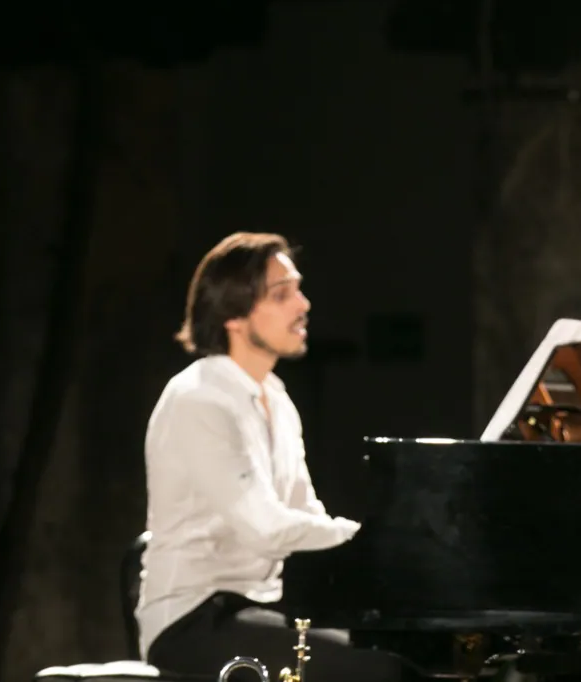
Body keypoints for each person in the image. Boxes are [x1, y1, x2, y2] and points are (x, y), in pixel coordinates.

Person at [136, 232, 413, 682]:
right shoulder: (199, 398)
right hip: (191, 620)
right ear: (234, 314)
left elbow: (304, 514)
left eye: (298, 289)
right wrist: (368, 540)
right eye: (282, 294)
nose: (302, 304)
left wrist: (373, 563)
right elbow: (265, 527)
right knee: (380, 668)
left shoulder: (277, 398)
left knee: (402, 650)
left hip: (264, 605)